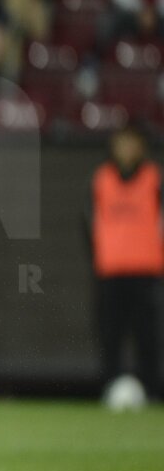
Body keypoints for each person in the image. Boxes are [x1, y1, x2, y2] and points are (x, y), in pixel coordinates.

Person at [86, 125, 163, 408]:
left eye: (132, 143)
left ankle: (152, 393)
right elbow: (89, 224)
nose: (126, 149)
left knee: (148, 338)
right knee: (110, 337)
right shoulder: (101, 179)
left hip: (146, 272)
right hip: (111, 272)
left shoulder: (154, 179)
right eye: (122, 143)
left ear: (142, 147)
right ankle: (110, 390)